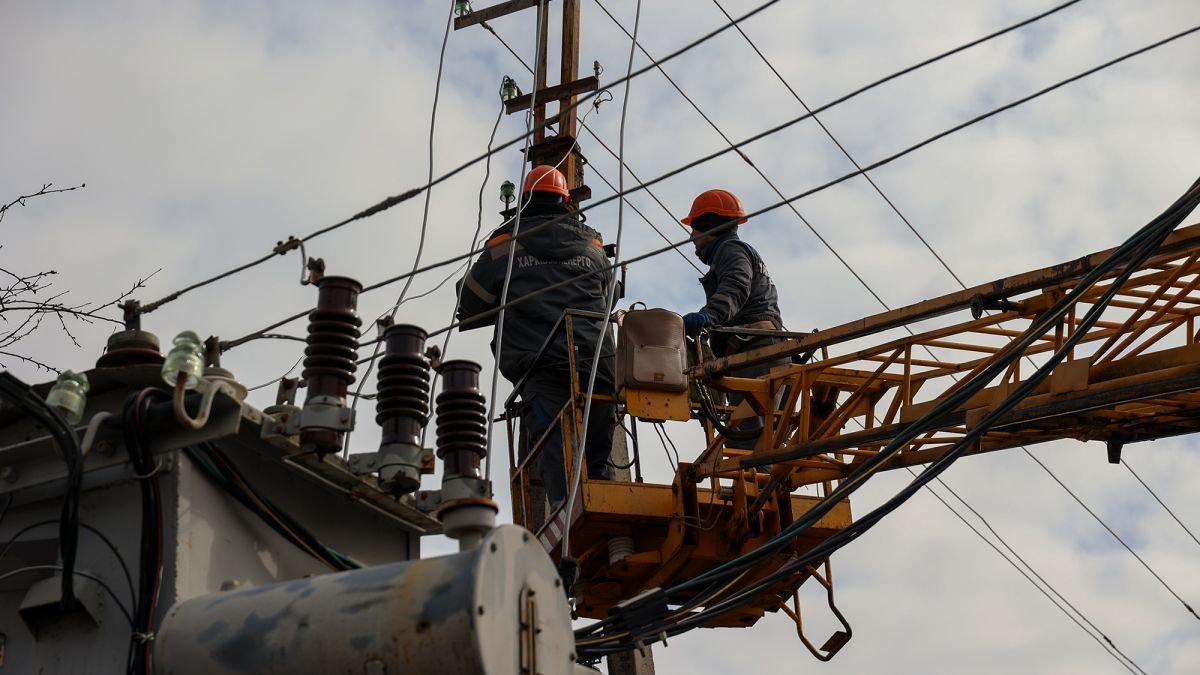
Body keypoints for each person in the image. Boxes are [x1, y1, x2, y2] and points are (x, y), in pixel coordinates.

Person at [456, 165, 615, 508]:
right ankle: (605, 499)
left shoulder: (506, 244)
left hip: (539, 362)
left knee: (551, 440)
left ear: (525, 200)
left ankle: (562, 511)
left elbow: (472, 299)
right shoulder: (594, 246)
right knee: (599, 445)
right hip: (597, 360)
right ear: (566, 201)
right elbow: (609, 295)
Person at [679, 188, 790, 448]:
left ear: (710, 227)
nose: (692, 236)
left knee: (748, 444)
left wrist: (708, 317)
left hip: (756, 351)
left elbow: (736, 287)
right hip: (765, 349)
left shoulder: (730, 250)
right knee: (764, 442)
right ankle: (766, 485)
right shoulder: (735, 252)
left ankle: (759, 487)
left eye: (695, 228)